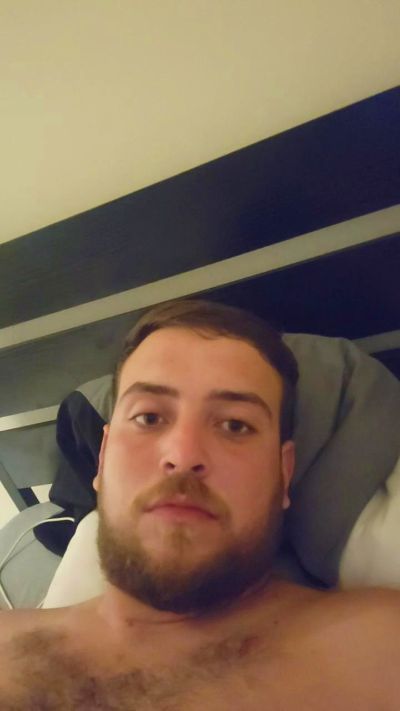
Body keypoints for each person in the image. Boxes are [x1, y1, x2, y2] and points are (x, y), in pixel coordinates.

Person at [1, 298, 399, 710]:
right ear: (101, 459)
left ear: (283, 473)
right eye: (149, 418)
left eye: (235, 425)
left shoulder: (380, 654)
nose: (184, 453)